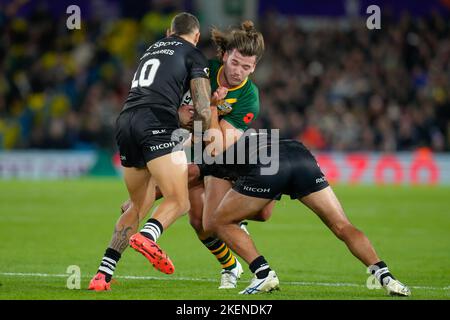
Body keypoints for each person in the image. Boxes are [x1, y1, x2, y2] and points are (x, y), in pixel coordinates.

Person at [120, 20, 269, 290]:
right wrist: (180, 117)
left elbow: (218, 148)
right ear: (225, 55)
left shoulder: (249, 97)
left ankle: (239, 233)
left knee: (203, 207)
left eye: (247, 67)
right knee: (198, 222)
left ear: (254, 67)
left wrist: (210, 108)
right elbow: (169, 102)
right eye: (235, 62)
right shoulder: (201, 68)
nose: (238, 71)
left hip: (224, 159)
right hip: (190, 146)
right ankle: (231, 266)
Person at [195, 133, 411, 296]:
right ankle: (386, 277)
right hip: (301, 156)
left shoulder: (219, 157)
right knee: (342, 226)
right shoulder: (250, 142)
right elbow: (263, 213)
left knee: (217, 221)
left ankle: (263, 273)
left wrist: (165, 191)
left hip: (271, 165)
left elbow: (190, 175)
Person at [88, 12, 212, 291]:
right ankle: (148, 236)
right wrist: (203, 138)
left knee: (137, 205)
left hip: (126, 122)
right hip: (156, 122)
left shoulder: (151, 49)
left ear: (169, 32)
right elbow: (203, 107)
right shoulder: (193, 54)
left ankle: (102, 275)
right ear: (197, 36)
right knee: (179, 201)